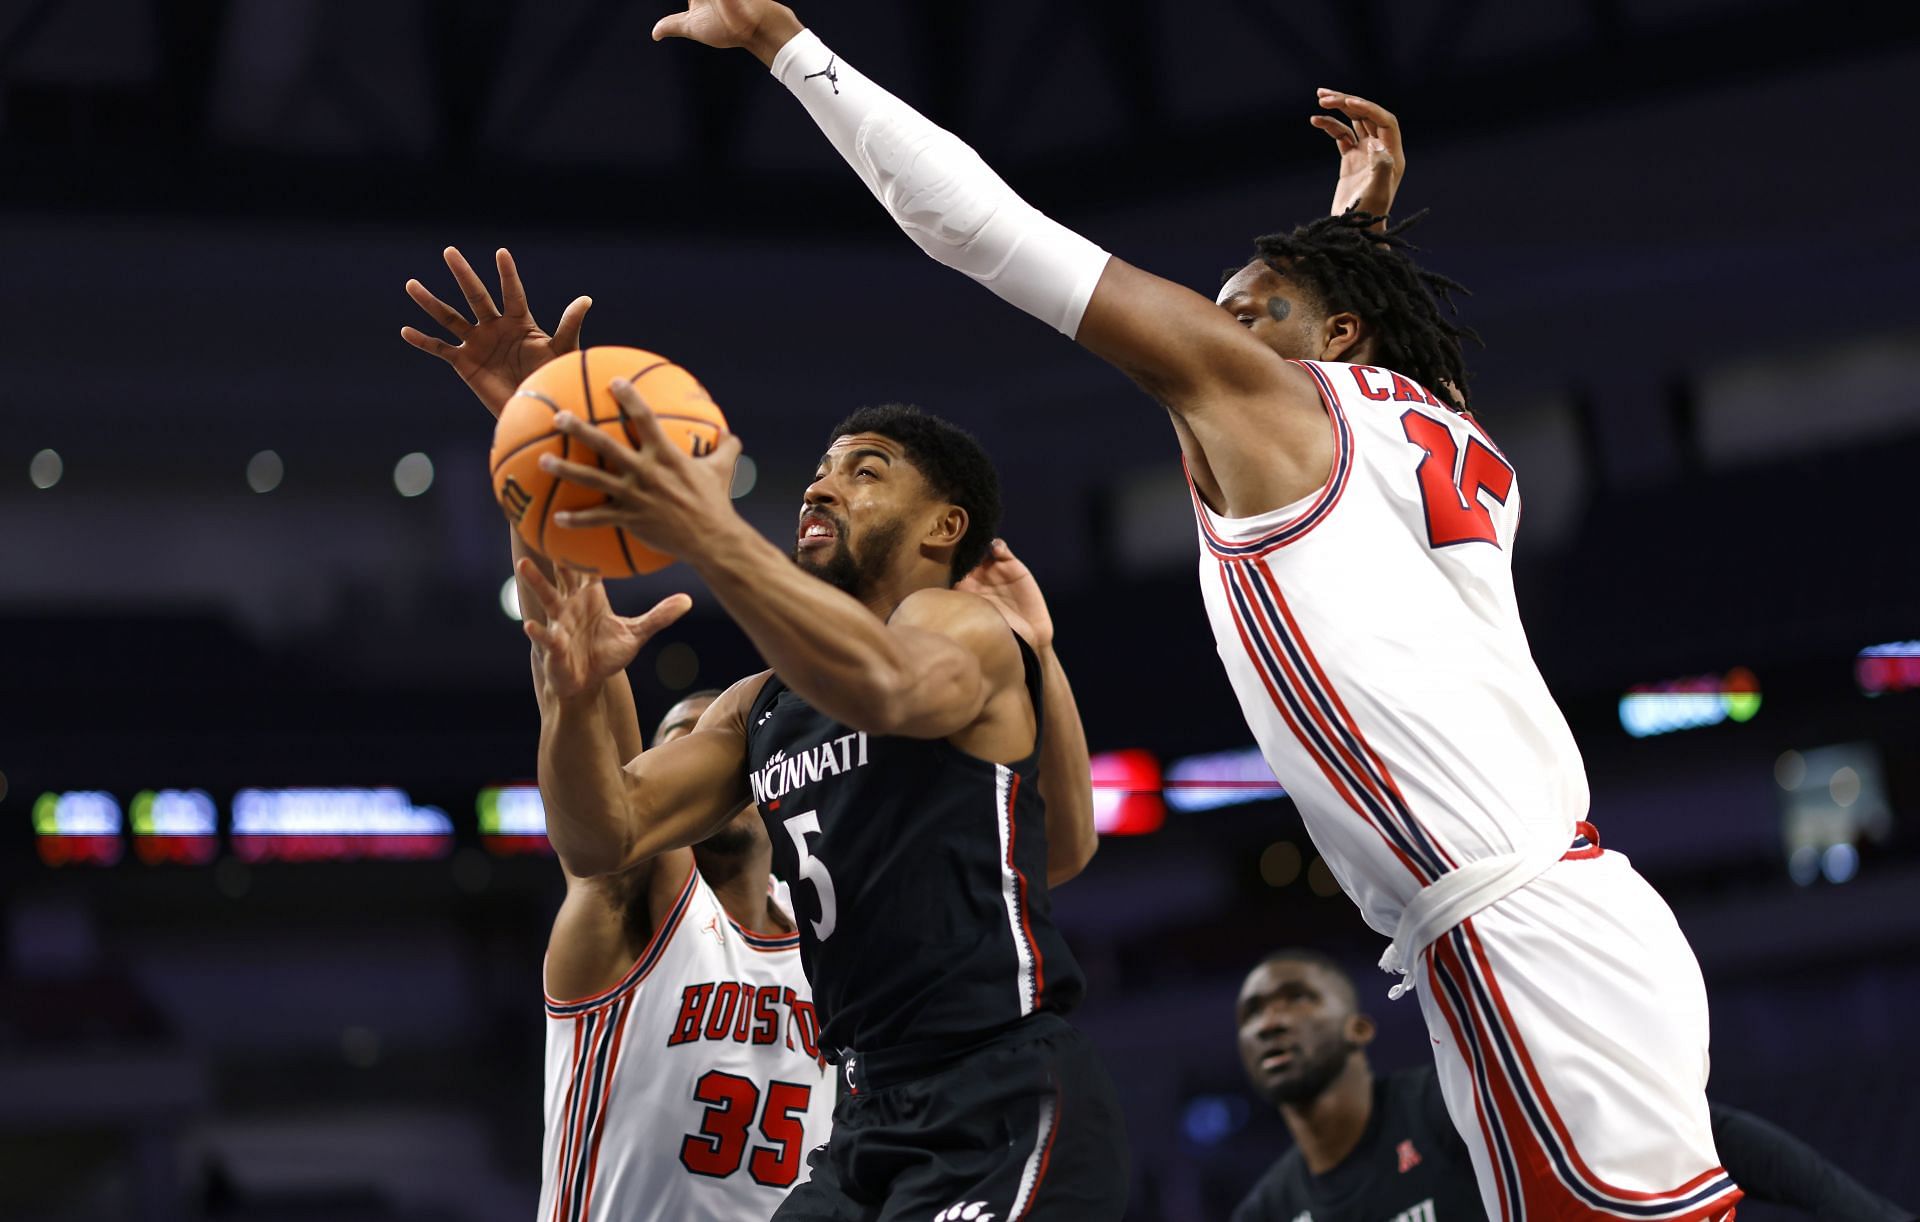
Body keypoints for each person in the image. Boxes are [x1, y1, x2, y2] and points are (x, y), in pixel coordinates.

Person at [650, 6, 1740, 1218]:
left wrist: (792, 50)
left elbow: (979, 226)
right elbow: (1347, 328)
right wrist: (1353, 228)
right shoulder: (1433, 413)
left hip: (1512, 931)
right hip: (1574, 908)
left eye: (1244, 310)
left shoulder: (1267, 405)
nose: (1213, 337)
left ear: (1325, 335)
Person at [406, 246, 1124, 1218]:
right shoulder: (765, 703)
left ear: (944, 527)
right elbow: (602, 832)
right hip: (867, 1116)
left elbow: (881, 683)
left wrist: (706, 529)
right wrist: (571, 692)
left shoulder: (958, 627)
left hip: (990, 1090)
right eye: (819, 472)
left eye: (864, 473)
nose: (820, 489)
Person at [402, 248, 834, 1221]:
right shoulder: (637, 902)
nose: (682, 753)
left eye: (702, 744)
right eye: (666, 741)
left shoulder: (835, 944)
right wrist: (538, 424)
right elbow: (587, 710)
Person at [1232, 951, 1914, 1222]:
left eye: (1294, 999)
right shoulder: (1265, 1213)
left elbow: (1697, 1132)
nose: (1269, 1023)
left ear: (1359, 1028)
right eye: (1252, 1013)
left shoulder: (1451, 1104)